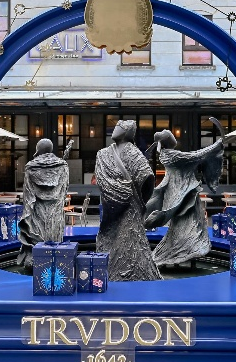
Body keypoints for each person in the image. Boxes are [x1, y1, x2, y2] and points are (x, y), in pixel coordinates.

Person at [146, 124, 224, 266]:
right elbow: (195, 156)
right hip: (183, 194)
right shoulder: (172, 155)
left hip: (179, 192)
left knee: (182, 224)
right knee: (190, 223)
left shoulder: (166, 155)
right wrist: (216, 146)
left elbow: (193, 155)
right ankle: (183, 252)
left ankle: (181, 254)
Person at [95, 120, 161, 281]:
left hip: (130, 210)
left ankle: (130, 275)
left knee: (129, 243)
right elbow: (148, 181)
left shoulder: (133, 153)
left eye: (119, 127)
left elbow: (148, 178)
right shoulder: (104, 153)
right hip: (117, 210)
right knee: (117, 242)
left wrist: (138, 201)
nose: (115, 129)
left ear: (127, 132)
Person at [17, 138, 71, 269]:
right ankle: (55, 261)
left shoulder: (31, 167)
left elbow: (28, 195)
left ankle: (36, 259)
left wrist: (27, 215)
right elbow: (64, 190)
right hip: (55, 210)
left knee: (38, 236)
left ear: (38, 150)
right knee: (54, 237)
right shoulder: (63, 166)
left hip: (37, 210)